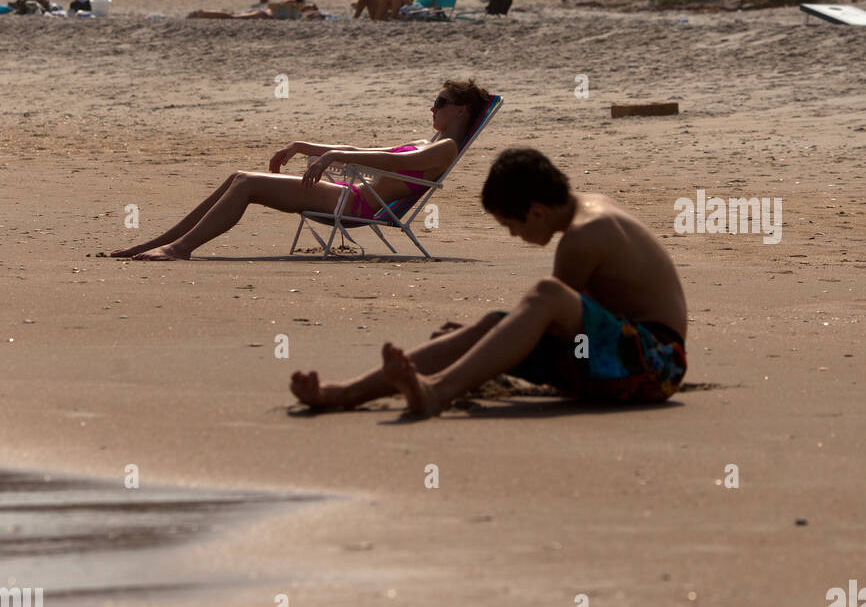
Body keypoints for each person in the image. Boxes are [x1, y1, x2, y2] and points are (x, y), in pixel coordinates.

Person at [290, 147, 687, 415]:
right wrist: (482, 338)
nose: (515, 236)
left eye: (510, 226)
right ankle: (343, 393)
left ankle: (436, 391)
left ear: (534, 212)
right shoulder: (587, 210)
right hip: (618, 355)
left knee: (544, 296)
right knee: (491, 327)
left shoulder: (584, 236)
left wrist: (483, 346)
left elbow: (554, 320)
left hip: (655, 365)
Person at [109, 80, 492, 261]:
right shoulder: (429, 141)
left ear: (460, 110)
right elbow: (366, 151)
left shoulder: (444, 148)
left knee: (245, 183)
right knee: (237, 177)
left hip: (356, 205)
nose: (433, 108)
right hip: (349, 194)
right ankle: (154, 244)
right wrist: (306, 148)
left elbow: (396, 163)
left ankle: (179, 249)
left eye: (440, 102)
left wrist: (335, 158)